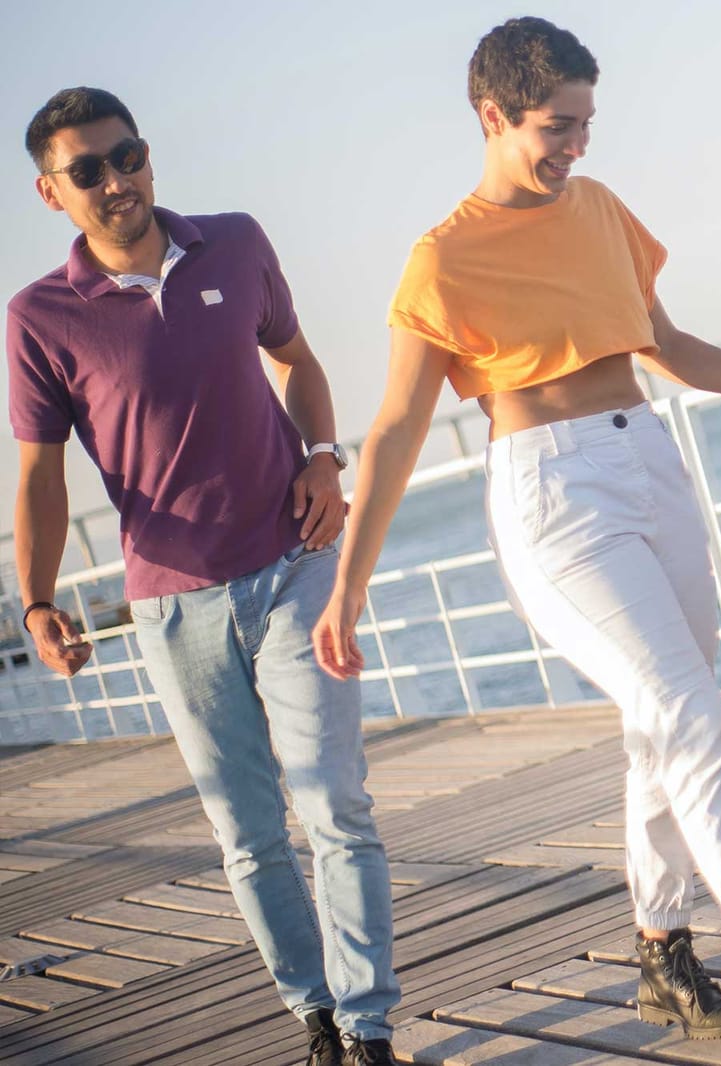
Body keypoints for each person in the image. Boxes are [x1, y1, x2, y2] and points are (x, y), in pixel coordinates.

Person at [308, 18, 721, 1058]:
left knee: (662, 724)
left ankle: (662, 954)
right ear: (491, 117)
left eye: (585, 124)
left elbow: (660, 341)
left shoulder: (601, 209)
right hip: (554, 496)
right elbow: (396, 427)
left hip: (649, 466)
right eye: (554, 126)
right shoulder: (440, 259)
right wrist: (349, 585)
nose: (575, 145)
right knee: (685, 709)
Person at [6, 88, 398, 1065]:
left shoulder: (234, 243)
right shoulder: (40, 319)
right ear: (52, 193)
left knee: (337, 806)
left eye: (125, 155)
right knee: (250, 833)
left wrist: (322, 455)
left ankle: (371, 1027)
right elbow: (41, 476)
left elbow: (297, 360)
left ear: (146, 155)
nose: (116, 180)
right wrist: (40, 599)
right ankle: (315, 1017)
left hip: (296, 564)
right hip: (172, 604)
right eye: (87, 170)